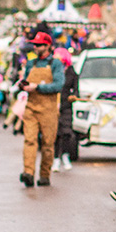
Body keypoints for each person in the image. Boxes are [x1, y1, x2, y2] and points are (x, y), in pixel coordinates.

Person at [18, 32, 64, 188]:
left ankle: (45, 175)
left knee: (47, 143)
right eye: (35, 45)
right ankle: (28, 173)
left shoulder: (56, 64)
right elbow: (26, 79)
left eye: (39, 45)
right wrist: (22, 85)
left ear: (48, 46)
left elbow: (58, 85)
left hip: (48, 109)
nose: (35, 47)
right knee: (29, 140)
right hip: (31, 107)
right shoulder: (31, 63)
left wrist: (37, 87)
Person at [53, 47, 80, 171]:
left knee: (66, 132)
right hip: (54, 106)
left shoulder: (71, 71)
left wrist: (73, 96)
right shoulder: (54, 71)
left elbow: (75, 88)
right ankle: (55, 159)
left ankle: (65, 155)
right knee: (55, 133)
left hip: (66, 106)